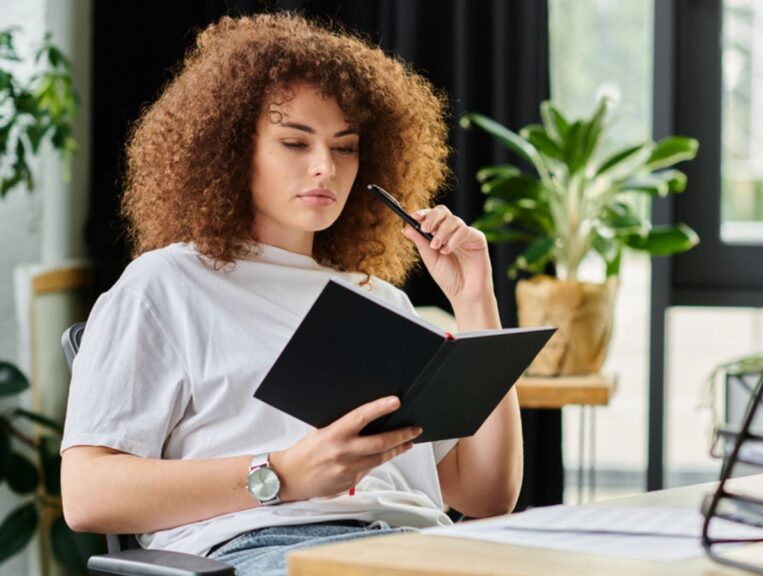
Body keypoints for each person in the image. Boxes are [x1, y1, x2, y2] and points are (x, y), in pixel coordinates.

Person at [59, 13, 522, 576]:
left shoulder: (382, 303)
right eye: (294, 142)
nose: (325, 167)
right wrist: (281, 473)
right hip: (263, 547)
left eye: (345, 147)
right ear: (232, 147)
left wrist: (476, 302)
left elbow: (486, 495)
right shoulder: (166, 285)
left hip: (417, 546)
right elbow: (87, 494)